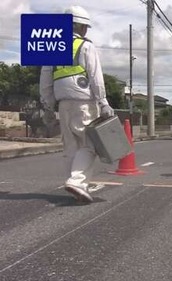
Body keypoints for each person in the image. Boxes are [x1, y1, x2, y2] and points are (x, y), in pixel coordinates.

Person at [40, 6, 114, 203]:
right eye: (85, 27)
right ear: (80, 27)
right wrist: (103, 102)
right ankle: (77, 182)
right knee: (90, 146)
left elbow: (45, 81)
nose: (86, 31)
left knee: (71, 147)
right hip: (85, 102)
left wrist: (47, 107)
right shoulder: (86, 46)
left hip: (63, 105)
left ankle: (79, 188)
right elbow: (96, 77)